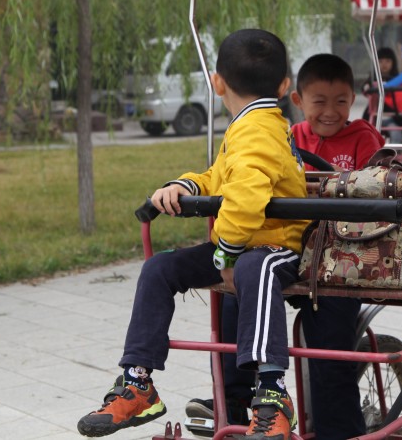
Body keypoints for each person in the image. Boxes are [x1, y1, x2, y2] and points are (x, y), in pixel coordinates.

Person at [77, 29, 306, 440]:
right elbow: (223, 178)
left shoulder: (258, 130)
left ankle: (272, 392)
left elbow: (246, 199)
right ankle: (138, 381)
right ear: (284, 85)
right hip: (242, 245)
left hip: (277, 246)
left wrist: (226, 257)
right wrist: (185, 185)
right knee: (159, 269)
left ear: (216, 83)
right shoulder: (252, 125)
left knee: (254, 267)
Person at [186, 53, 384, 440]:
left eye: (341, 101)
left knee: (329, 350)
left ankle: (338, 431)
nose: (330, 111)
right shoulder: (286, 135)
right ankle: (235, 398)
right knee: (234, 292)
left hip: (339, 259)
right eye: (319, 102)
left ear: (353, 100)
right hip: (287, 247)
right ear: (297, 100)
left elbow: (377, 184)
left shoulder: (363, 137)